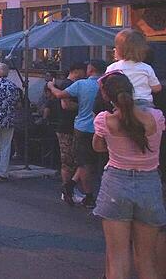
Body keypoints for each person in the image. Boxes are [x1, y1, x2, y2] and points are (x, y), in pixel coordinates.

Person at [91, 72, 165, 279]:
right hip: (150, 183)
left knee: (117, 258)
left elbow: (97, 147)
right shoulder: (156, 118)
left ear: (107, 96)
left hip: (116, 182)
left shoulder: (105, 120)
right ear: (131, 91)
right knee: (147, 259)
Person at [48, 59, 106, 209]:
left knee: (85, 162)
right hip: (102, 127)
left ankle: (82, 192)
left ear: (90, 69)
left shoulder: (82, 84)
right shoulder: (106, 84)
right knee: (93, 163)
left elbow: (61, 96)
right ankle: (79, 189)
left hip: (82, 127)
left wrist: (51, 86)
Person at [52, 63, 85, 205]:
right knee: (69, 161)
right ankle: (67, 192)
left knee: (71, 160)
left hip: (66, 125)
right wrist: (84, 106)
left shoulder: (64, 83)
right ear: (76, 71)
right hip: (67, 126)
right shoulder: (67, 84)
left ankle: (69, 190)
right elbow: (66, 105)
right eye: (83, 71)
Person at [106, 29, 161, 107]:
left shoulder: (112, 68)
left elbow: (107, 88)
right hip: (144, 104)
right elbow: (157, 88)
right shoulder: (146, 68)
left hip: (120, 105)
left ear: (118, 49)